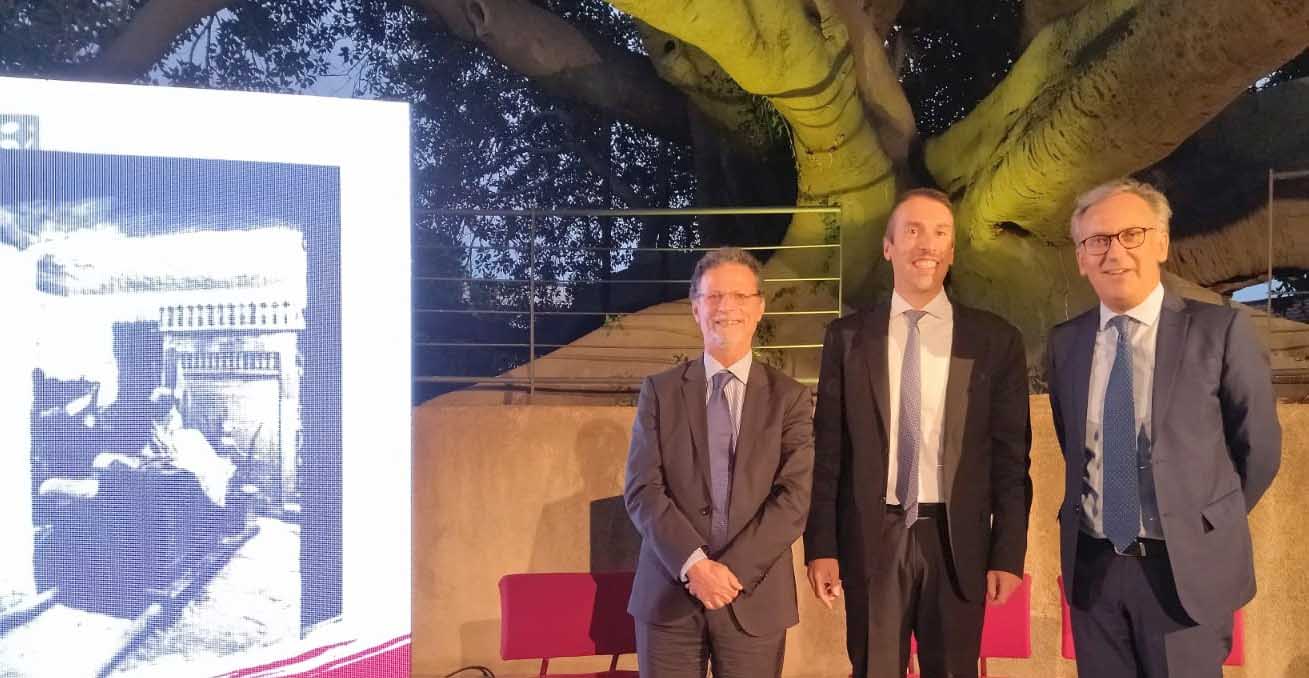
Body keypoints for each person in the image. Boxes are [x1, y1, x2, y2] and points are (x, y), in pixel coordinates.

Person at [1046, 178, 1281, 677]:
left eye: (1131, 234)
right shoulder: (1066, 342)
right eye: (1097, 240)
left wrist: (1201, 521)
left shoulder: (1220, 331)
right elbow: (1074, 444)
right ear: (1081, 258)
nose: (1115, 252)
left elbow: (1258, 450)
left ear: (1161, 243)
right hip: (1095, 569)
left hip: (1183, 573)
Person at [804, 188, 1031, 678]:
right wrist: (821, 545)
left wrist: (1008, 553)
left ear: (952, 250)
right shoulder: (847, 339)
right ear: (888, 247)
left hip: (957, 541)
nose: (926, 244)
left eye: (940, 233)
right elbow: (828, 454)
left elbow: (1012, 460)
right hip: (873, 537)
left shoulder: (995, 341)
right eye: (912, 231)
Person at [624, 247, 814, 678]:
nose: (726, 306)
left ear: (759, 308)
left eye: (740, 296)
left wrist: (728, 574)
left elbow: (795, 498)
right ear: (696, 309)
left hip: (754, 597)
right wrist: (694, 565)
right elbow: (642, 489)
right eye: (713, 296)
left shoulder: (790, 398)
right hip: (669, 596)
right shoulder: (660, 392)